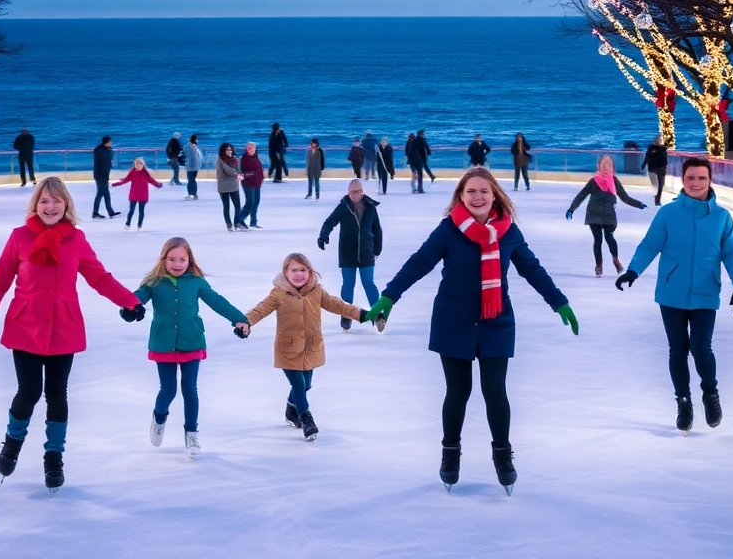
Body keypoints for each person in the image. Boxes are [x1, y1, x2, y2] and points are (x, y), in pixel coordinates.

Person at [376, 167, 578, 494]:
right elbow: (419, 263)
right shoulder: (448, 229)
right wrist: (389, 296)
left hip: (496, 320)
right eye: (471, 191)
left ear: (494, 194)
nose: (478, 196)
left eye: (484, 191)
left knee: (495, 390)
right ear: (461, 196)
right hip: (453, 320)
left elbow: (532, 268)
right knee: (458, 391)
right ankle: (450, 454)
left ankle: (503, 456)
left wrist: (558, 301)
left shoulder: (508, 231)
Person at [0, 176, 141, 493]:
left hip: (63, 328)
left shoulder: (76, 239)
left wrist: (130, 301)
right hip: (26, 327)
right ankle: (12, 443)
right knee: (29, 392)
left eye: (56, 201)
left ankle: (54, 457)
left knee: (57, 395)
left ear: (66, 205)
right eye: (44, 201)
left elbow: (99, 278)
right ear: (35, 205)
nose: (50, 207)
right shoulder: (19, 237)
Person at [614, 157, 733, 435]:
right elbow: (650, 245)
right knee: (678, 349)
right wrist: (633, 271)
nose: (696, 183)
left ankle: (710, 394)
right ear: (683, 180)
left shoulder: (721, 217)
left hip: (705, 293)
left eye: (701, 178)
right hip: (671, 294)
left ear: (710, 180)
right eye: (690, 178)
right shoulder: (668, 213)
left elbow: (732, 253)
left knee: (701, 347)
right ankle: (683, 402)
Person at [124, 237, 251, 459]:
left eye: (182, 259)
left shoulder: (196, 282)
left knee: (190, 389)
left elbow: (217, 302)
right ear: (163, 260)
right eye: (172, 259)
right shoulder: (154, 283)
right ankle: (159, 418)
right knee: (168, 390)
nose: (177, 264)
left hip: (191, 340)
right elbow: (134, 299)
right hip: (164, 343)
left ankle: (191, 433)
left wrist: (239, 319)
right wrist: (129, 309)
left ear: (189, 260)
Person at [244, 252, 372, 441]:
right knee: (298, 384)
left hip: (311, 347)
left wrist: (361, 314)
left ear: (309, 271)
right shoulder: (279, 293)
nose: (299, 274)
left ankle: (291, 409)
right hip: (288, 348)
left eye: (303, 270)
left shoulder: (316, 291)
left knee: (307, 384)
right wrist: (245, 322)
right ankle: (306, 418)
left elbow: (337, 305)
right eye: (294, 270)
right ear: (285, 272)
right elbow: (260, 309)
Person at [318, 179, 383, 332]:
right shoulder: (343, 207)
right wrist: (323, 236)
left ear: (362, 192)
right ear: (348, 193)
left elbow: (377, 230)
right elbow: (329, 222)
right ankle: (346, 315)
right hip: (347, 253)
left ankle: (378, 315)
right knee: (348, 285)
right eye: (353, 192)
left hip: (366, 253)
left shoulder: (371, 208)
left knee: (369, 283)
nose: (356, 194)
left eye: (358, 191)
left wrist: (377, 249)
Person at [566, 154, 647, 276]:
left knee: (609, 237)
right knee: (598, 240)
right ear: (599, 166)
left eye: (609, 165)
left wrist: (638, 204)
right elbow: (581, 196)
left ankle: (616, 260)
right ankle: (598, 265)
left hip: (609, 214)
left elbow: (625, 197)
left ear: (612, 167)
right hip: (594, 213)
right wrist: (572, 209)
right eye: (604, 165)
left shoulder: (614, 181)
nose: (606, 167)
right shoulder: (594, 181)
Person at [112, 157, 163, 230]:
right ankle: (127, 224)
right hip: (134, 194)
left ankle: (139, 225)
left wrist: (159, 185)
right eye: (136, 164)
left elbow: (152, 181)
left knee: (141, 211)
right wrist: (114, 184)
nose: (137, 165)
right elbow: (125, 180)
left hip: (143, 195)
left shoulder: (145, 173)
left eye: (139, 164)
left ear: (143, 165)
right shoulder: (132, 172)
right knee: (131, 210)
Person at [215, 142, 246, 231]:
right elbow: (227, 170)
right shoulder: (220, 160)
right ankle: (229, 224)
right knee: (226, 207)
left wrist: (241, 174)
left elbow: (239, 170)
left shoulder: (235, 160)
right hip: (223, 187)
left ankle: (236, 223)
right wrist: (236, 174)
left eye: (230, 149)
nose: (229, 151)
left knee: (237, 206)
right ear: (223, 151)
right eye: (227, 150)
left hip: (234, 186)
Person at [236, 141, 265, 230]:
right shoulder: (245, 158)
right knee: (250, 203)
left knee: (256, 202)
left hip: (257, 183)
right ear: (246, 149)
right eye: (249, 148)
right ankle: (239, 220)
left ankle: (253, 222)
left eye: (252, 148)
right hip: (248, 184)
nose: (251, 150)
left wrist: (261, 176)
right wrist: (254, 173)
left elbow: (259, 168)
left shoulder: (255, 157)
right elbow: (244, 172)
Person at [91, 136, 120, 220]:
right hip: (102, 175)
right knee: (100, 194)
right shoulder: (105, 152)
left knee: (106, 194)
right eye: (110, 142)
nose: (111, 143)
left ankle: (111, 212)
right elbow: (107, 161)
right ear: (107, 143)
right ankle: (95, 213)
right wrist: (111, 151)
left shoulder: (99, 149)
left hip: (99, 174)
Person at [641, 135, 669, 206]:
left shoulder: (663, 148)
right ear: (656, 140)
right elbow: (647, 157)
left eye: (661, 139)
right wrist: (643, 165)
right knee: (657, 184)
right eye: (658, 139)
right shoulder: (651, 148)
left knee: (661, 185)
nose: (660, 141)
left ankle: (657, 199)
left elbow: (664, 157)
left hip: (662, 168)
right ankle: (657, 198)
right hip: (654, 168)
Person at [184, 134, 203, 200]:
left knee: (191, 181)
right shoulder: (189, 146)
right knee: (192, 181)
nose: (197, 140)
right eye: (196, 139)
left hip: (194, 167)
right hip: (192, 167)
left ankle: (192, 194)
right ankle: (193, 194)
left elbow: (196, 157)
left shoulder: (193, 146)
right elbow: (190, 157)